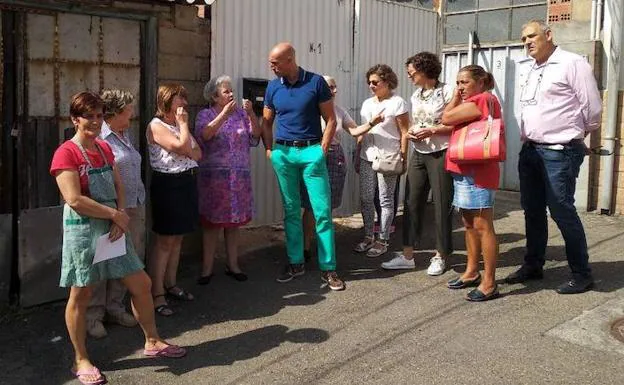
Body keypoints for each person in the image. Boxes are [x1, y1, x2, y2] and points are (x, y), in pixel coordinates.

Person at [50, 91, 185, 385]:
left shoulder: (103, 149)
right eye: (89, 116)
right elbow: (73, 199)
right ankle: (80, 359)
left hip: (113, 227)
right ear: (75, 119)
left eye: (99, 116)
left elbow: (116, 183)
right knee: (81, 294)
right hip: (84, 230)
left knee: (142, 283)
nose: (96, 122)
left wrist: (120, 213)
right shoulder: (66, 153)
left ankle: (152, 341)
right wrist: (114, 216)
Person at [504, 20, 602, 294]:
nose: (527, 42)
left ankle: (582, 274)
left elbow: (592, 108)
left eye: (532, 36)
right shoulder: (531, 69)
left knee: (562, 211)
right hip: (531, 150)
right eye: (524, 39)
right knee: (532, 210)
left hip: (560, 151)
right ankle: (533, 265)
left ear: (549, 34)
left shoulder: (572, 63)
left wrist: (575, 134)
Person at [262, 42, 345, 291]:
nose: (271, 66)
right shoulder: (273, 86)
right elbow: (266, 122)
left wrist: (321, 150)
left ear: (290, 59)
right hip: (284, 153)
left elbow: (330, 119)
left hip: (311, 151)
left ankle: (329, 268)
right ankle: (295, 262)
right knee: (290, 211)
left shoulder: (316, 82)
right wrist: (269, 151)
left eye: (275, 62)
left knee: (321, 212)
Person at [381, 52, 454, 274]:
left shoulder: (447, 91)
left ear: (424, 70)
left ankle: (441, 255)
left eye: (412, 71)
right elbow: (416, 122)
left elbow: (457, 124)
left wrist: (432, 130)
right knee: (411, 202)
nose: (409, 75)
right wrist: (412, 132)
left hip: (441, 152)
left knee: (442, 204)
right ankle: (407, 255)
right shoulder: (416, 95)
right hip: (419, 152)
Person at [83, 90, 145, 339]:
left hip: (132, 205)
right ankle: (93, 315)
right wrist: (114, 211)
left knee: (125, 260)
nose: (132, 113)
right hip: (108, 209)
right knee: (101, 261)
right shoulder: (100, 138)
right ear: (116, 112)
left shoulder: (125, 134)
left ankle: (115, 308)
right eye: (128, 109)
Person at [441, 65, 502, 302]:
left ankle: (489, 282)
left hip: (479, 172)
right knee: (468, 223)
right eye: (457, 83)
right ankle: (471, 271)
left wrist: (456, 98)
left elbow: (446, 117)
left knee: (482, 224)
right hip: (463, 168)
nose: (460, 88)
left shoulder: (483, 99)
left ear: (481, 81)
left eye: (464, 82)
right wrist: (458, 95)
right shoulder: (475, 101)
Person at [194, 75, 262, 284]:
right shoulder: (205, 115)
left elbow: (255, 137)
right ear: (214, 96)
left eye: (232, 91)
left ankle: (233, 265)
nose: (232, 94)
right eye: (226, 91)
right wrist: (223, 115)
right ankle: (207, 269)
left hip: (238, 179)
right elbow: (204, 135)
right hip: (215, 180)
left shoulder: (241, 115)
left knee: (233, 225)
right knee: (211, 225)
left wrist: (251, 114)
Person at [301, 75, 376, 261]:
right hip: (314, 155)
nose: (332, 90)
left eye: (334, 86)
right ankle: (305, 245)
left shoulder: (340, 111)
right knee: (311, 204)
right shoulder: (310, 109)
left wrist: (372, 123)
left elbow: (355, 131)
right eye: (328, 86)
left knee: (328, 205)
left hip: (335, 157)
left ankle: (323, 245)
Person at [147, 84, 202, 316]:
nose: (185, 104)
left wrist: (185, 143)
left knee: (178, 238)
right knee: (164, 241)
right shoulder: (156, 125)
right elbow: (181, 147)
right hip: (168, 184)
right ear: (168, 101)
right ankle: (156, 293)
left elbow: (198, 153)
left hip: (187, 181)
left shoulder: (177, 126)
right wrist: (183, 128)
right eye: (181, 99)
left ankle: (171, 283)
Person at [353, 64, 409, 258]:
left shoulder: (398, 103)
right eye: (369, 82)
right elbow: (363, 129)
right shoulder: (368, 103)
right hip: (367, 154)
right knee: (366, 198)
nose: (371, 85)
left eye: (375, 82)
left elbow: (404, 132)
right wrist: (357, 150)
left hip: (388, 156)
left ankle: (383, 239)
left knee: (385, 200)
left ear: (387, 82)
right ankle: (369, 235)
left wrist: (403, 156)